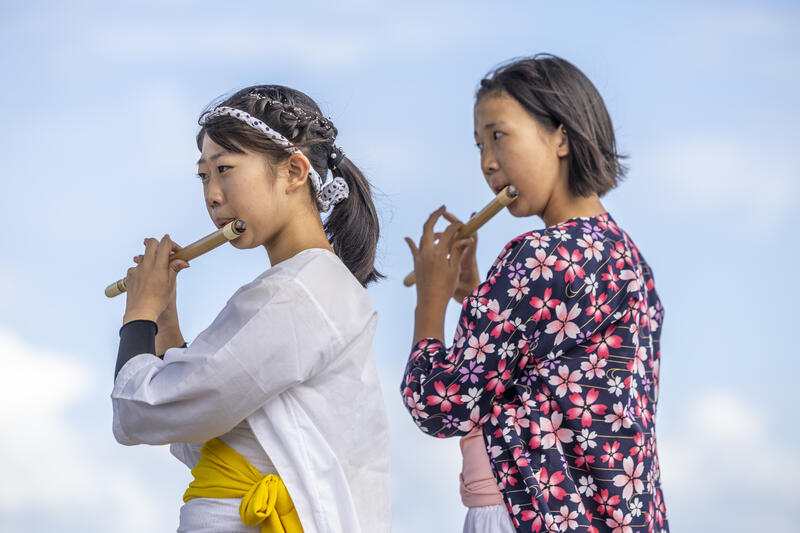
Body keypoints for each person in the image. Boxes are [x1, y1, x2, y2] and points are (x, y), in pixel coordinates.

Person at [401, 55, 668, 533]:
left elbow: (442, 404)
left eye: (499, 135)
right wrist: (475, 296)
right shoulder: (626, 256)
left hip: (527, 512)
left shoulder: (537, 256)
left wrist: (430, 301)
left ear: (560, 136)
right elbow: (546, 367)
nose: (487, 161)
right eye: (480, 144)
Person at [111, 85, 391, 533]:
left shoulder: (299, 292)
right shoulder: (304, 286)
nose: (213, 195)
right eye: (203, 175)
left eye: (225, 168)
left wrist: (138, 314)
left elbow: (140, 412)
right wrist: (165, 319)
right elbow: (196, 429)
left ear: (294, 171)